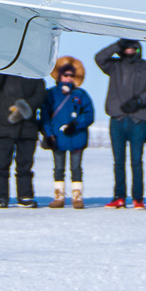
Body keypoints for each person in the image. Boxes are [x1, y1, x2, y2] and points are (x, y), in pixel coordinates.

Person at [95, 38, 146, 209]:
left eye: (133, 46)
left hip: (138, 119)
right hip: (117, 118)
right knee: (118, 161)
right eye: (127, 46)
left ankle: (138, 198)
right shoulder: (114, 66)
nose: (130, 49)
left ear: (138, 48)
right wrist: (118, 44)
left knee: (136, 161)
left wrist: (138, 101)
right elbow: (99, 58)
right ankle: (119, 197)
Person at [41, 55, 95, 209]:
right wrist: (49, 134)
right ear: (59, 75)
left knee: (76, 168)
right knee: (58, 168)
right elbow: (45, 116)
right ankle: (59, 196)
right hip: (57, 138)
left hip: (77, 137)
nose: (68, 78)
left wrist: (76, 124)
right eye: (65, 75)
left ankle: (77, 197)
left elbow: (89, 114)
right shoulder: (51, 94)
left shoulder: (80, 94)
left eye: (71, 76)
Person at [0, 65, 45, 207]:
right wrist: (3, 63)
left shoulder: (35, 71)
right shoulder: (5, 68)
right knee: (1, 164)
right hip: (4, 123)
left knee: (25, 164)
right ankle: (1, 197)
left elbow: (41, 95)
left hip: (27, 126)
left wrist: (24, 107)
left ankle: (25, 195)